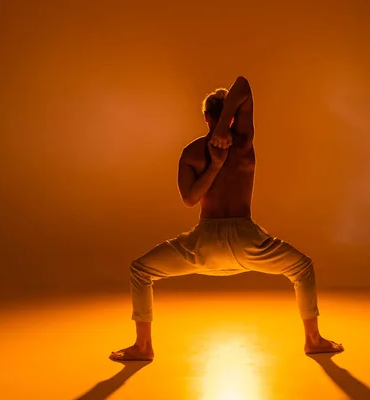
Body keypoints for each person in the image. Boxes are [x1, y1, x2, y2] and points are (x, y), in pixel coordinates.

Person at [109, 76, 344, 361]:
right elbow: (243, 86)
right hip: (247, 241)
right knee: (302, 268)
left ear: (206, 117)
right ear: (230, 116)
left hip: (204, 245)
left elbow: (189, 198)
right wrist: (219, 160)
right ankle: (313, 339)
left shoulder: (192, 152)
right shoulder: (243, 143)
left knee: (140, 270)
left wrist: (216, 144)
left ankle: (143, 346)